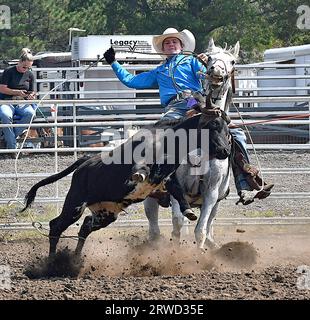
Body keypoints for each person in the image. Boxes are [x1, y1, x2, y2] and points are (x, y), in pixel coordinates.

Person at [103, 28, 273, 206]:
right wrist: (114, 62)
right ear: (163, 49)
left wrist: (208, 62)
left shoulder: (192, 61)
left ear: (181, 45)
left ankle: (244, 181)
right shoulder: (159, 71)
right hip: (174, 109)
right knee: (157, 137)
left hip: (197, 104)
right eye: (167, 43)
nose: (171, 44)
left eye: (174, 41)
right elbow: (132, 81)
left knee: (236, 135)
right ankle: (158, 182)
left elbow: (213, 72)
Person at [0, 48, 37, 150]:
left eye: (28, 68)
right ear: (19, 62)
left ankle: (9, 139)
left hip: (22, 102)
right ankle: (12, 147)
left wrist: (32, 95)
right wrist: (16, 92)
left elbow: (32, 91)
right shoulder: (8, 71)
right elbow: (2, 89)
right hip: (7, 101)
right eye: (24, 67)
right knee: (5, 115)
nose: (26, 69)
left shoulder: (30, 74)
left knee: (31, 114)